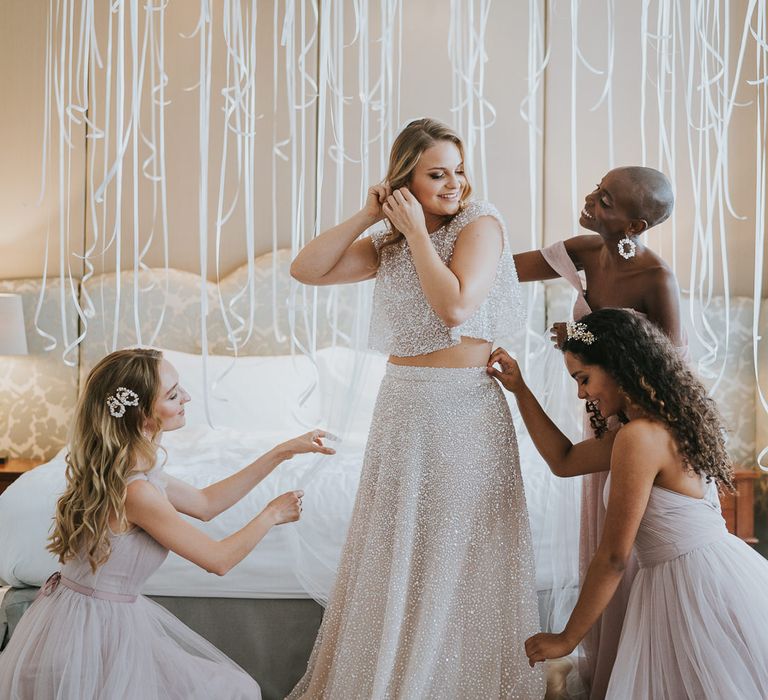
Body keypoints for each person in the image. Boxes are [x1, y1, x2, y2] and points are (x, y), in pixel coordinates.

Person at [287, 118, 545, 698]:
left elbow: (454, 307)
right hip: (402, 409)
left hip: (462, 411)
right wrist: (371, 215)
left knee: (458, 551)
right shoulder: (391, 243)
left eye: (458, 170)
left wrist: (419, 235)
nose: (454, 183)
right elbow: (305, 269)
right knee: (398, 548)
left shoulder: (481, 224)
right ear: (405, 180)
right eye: (437, 173)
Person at [0, 347, 334, 700]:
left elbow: (206, 504)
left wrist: (281, 451)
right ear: (142, 414)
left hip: (90, 615)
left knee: (230, 688)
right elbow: (218, 560)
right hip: (93, 630)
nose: (187, 397)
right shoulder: (136, 491)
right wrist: (272, 514)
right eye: (173, 395)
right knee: (235, 689)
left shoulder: (128, 468)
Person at [488, 309, 768, 699]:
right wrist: (520, 389)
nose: (581, 394)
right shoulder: (664, 424)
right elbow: (564, 460)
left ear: (618, 365)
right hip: (705, 575)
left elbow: (615, 556)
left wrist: (568, 637)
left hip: (691, 585)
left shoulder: (640, 437)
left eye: (584, 379)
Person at [511, 166, 684, 698]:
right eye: (595, 187)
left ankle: (644, 673)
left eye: (605, 200)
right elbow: (495, 272)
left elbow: (669, 371)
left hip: (635, 427)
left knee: (626, 552)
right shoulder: (582, 253)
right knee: (603, 541)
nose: (589, 200)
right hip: (600, 419)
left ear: (633, 225)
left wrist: (625, 428)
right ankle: (611, 668)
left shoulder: (656, 280)